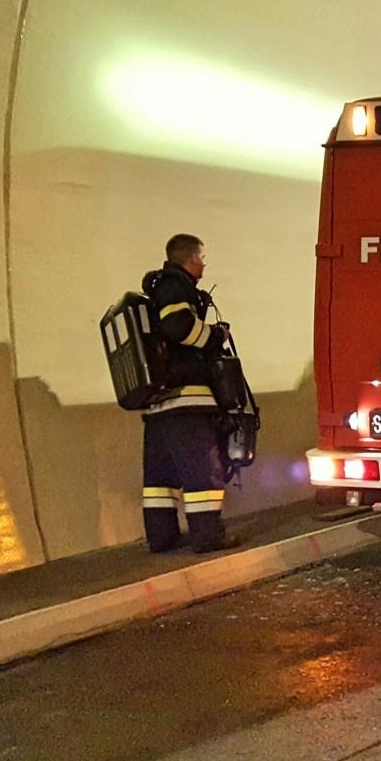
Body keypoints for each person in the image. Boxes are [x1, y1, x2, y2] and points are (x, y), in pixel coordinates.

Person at [140, 234, 237, 553]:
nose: (204, 265)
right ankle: (208, 537)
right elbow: (178, 326)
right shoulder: (176, 285)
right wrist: (215, 336)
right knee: (202, 473)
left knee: (160, 481)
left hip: (159, 404)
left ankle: (162, 538)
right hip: (187, 401)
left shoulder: (158, 289)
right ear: (192, 259)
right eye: (202, 258)